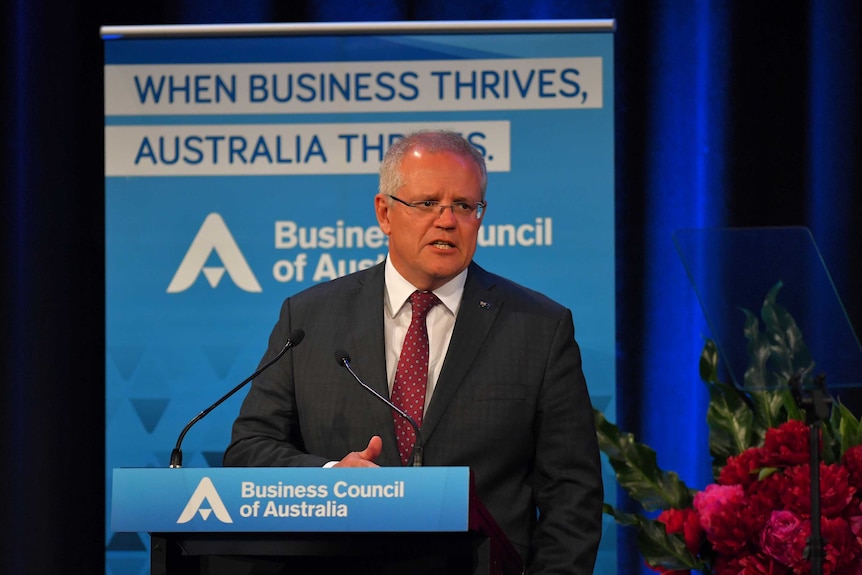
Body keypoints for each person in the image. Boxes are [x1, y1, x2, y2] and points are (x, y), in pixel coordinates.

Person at [224, 130, 603, 574]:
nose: (447, 220)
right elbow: (248, 449)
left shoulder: (538, 328)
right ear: (384, 212)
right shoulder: (308, 318)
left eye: (464, 206)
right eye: (427, 204)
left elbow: (572, 498)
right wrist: (328, 476)